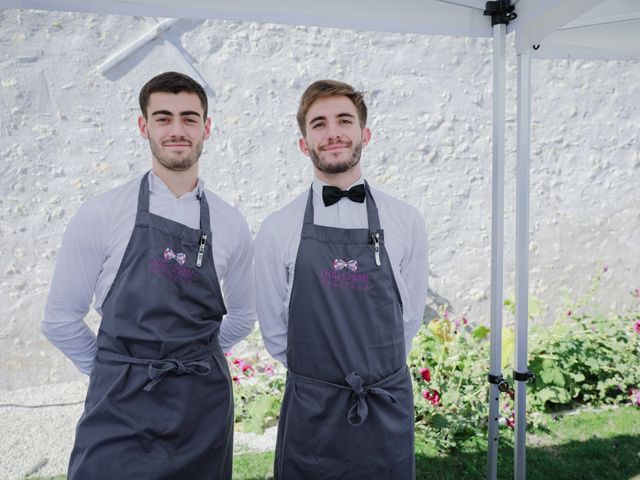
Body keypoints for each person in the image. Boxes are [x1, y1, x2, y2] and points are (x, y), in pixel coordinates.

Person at [42, 71, 256, 479]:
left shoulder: (231, 223)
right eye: (164, 117)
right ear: (144, 126)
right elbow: (60, 320)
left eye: (190, 118)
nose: (177, 129)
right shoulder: (102, 213)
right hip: (119, 406)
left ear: (206, 128)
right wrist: (117, 368)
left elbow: (244, 315)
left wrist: (197, 362)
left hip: (202, 409)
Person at [254, 79, 428, 479]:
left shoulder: (406, 220)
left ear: (364, 134)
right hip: (312, 410)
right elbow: (275, 331)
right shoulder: (277, 228)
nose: (332, 133)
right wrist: (318, 382)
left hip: (384, 403)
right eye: (318, 124)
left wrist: (377, 368)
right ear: (304, 143)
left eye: (343, 120)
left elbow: (410, 317)